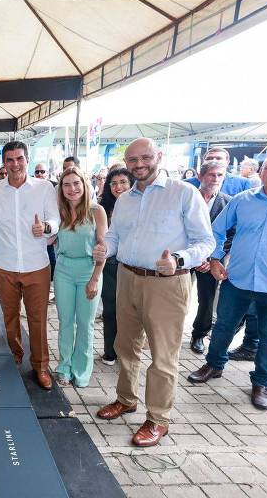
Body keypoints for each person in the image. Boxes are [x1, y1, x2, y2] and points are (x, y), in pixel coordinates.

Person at [93, 137, 214, 447]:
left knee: (163, 355)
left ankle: (158, 418)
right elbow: (117, 237)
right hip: (127, 277)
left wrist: (178, 259)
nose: (139, 164)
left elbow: (206, 243)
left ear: (159, 156)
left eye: (145, 157)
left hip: (167, 285)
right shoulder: (125, 199)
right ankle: (126, 399)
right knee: (125, 345)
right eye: (132, 160)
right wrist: (104, 249)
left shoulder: (183, 193)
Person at [187, 150, 267, 410]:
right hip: (237, 280)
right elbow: (217, 229)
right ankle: (214, 365)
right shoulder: (242, 200)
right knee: (224, 326)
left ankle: (262, 382)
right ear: (261, 172)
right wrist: (214, 259)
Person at [0, 141, 60, 389]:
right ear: (4, 162)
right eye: (10, 160)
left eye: (19, 159)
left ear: (27, 159)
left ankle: (41, 366)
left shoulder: (45, 188)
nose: (15, 164)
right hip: (5, 265)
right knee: (10, 316)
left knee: (38, 319)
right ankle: (15, 354)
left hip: (37, 265)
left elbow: (55, 220)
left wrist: (45, 227)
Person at [52, 167, 108, 387]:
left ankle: (82, 370)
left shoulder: (97, 211)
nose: (72, 189)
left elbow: (102, 246)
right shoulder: (59, 211)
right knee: (65, 322)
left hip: (89, 270)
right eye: (66, 184)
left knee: (85, 324)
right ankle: (64, 367)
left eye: (76, 183)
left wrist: (95, 278)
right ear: (61, 188)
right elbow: (49, 238)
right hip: (63, 270)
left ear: (84, 185)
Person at [188, 162, 236, 354]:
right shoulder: (187, 197)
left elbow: (232, 234)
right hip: (184, 256)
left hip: (211, 261)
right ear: (201, 176)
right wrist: (191, 256)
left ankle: (199, 334)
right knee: (175, 295)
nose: (215, 179)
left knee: (206, 299)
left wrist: (212, 258)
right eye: (211, 175)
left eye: (220, 175)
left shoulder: (229, 202)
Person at [98, 167, 135, 365]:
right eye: (113, 183)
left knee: (130, 312)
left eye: (123, 182)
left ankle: (128, 351)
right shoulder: (102, 207)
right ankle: (110, 351)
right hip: (110, 266)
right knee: (110, 309)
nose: (118, 187)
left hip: (132, 266)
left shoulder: (140, 205)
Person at [184, 147, 252, 195]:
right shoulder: (187, 184)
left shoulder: (243, 184)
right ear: (203, 162)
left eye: (219, 158)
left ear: (227, 162)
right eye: (209, 158)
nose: (214, 160)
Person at [35, 163, 58, 278]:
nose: (39, 174)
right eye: (37, 172)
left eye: (42, 171)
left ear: (47, 173)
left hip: (50, 233)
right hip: (35, 235)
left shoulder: (55, 187)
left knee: (52, 263)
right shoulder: (30, 188)